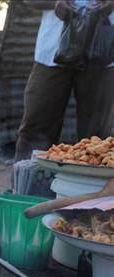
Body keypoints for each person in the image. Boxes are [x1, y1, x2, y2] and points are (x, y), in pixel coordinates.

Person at [15, 0, 114, 161]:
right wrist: (55, 3)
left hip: (103, 50)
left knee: (98, 139)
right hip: (52, 53)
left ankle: (93, 186)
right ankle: (28, 184)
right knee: (36, 130)